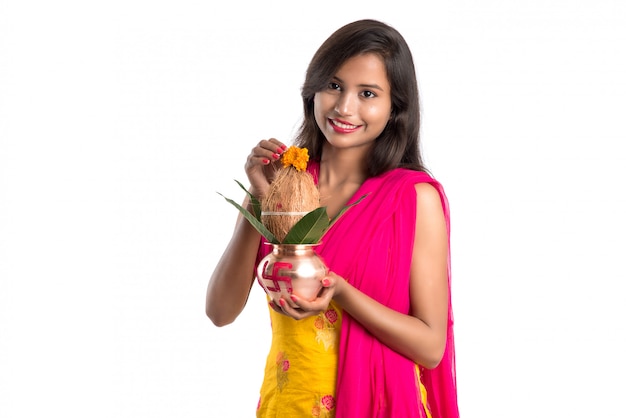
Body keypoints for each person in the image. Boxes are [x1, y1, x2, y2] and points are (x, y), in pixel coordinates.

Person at [206, 19, 459, 418]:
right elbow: (220, 312)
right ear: (313, 89)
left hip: (383, 406)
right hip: (288, 404)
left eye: (368, 94)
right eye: (335, 86)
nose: (344, 108)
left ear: (395, 107)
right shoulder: (287, 186)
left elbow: (430, 348)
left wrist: (341, 291)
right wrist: (260, 200)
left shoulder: (412, 198)